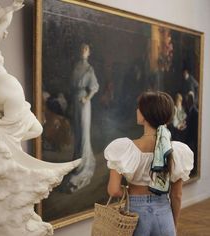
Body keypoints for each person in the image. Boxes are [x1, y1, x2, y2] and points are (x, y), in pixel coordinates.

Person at [104, 91, 193, 235]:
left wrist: (129, 195)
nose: (137, 110)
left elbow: (113, 190)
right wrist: (173, 224)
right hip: (164, 213)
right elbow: (177, 195)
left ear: (145, 115)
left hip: (135, 213)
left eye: (139, 108)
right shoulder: (176, 151)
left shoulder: (124, 149)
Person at [0, 0, 42, 148]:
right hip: (8, 89)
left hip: (2, 92)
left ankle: (0, 138)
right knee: (27, 133)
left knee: (34, 130)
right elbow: (5, 23)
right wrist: (10, 9)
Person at [68, 43, 99, 191]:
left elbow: (94, 87)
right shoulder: (76, 66)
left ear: (89, 53)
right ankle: (77, 161)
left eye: (86, 49)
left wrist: (87, 98)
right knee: (77, 132)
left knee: (84, 132)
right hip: (75, 100)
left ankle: (84, 166)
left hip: (84, 102)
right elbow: (72, 84)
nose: (83, 52)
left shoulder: (89, 69)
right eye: (81, 49)